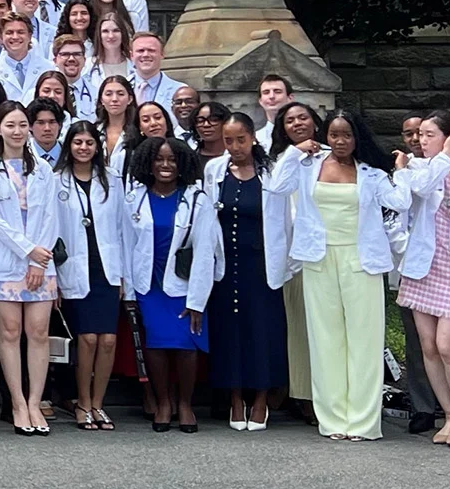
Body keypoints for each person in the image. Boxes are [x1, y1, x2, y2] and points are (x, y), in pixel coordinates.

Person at [268, 107, 408, 441]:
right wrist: (294, 150)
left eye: (347, 135)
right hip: (319, 257)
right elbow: (275, 186)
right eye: (334, 135)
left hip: (361, 260)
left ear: (357, 138)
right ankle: (332, 419)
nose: (341, 141)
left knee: (364, 341)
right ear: (324, 135)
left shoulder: (371, 173)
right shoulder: (307, 166)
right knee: (325, 339)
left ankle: (361, 422)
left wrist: (400, 171)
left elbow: (400, 202)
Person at [395, 111, 450, 447]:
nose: (421, 140)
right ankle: (448, 416)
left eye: (429, 134)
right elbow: (419, 189)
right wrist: (443, 157)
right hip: (423, 267)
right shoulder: (419, 167)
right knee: (429, 347)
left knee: (448, 345)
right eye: (420, 135)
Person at [123, 134, 217, 433]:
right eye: (159, 159)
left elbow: (205, 250)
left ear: (182, 164)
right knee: (156, 345)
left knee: (185, 345)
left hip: (183, 285)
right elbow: (126, 243)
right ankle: (164, 402)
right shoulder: (134, 197)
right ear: (148, 164)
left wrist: (197, 300)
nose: (165, 165)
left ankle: (185, 404)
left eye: (172, 160)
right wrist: (127, 289)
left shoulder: (197, 199)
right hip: (148, 285)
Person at [203, 111, 289, 431]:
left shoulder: (270, 172)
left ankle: (262, 398)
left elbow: (285, 222)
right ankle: (235, 398)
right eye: (228, 140)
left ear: (253, 137)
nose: (235, 146)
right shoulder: (215, 170)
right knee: (230, 331)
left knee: (261, 330)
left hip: (260, 265)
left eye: (241, 139)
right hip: (226, 265)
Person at [0, 102, 57, 435]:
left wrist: (39, 258)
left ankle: (36, 402)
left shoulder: (42, 168)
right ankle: (17, 403)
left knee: (38, 333)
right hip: (4, 263)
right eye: (10, 125)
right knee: (9, 333)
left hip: (41, 262)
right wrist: (27, 251)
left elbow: (51, 216)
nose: (17, 131)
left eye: (23, 125)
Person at [51, 120, 122, 431]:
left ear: (98, 146)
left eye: (89, 143)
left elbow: (123, 231)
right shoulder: (56, 181)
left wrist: (125, 280)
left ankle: (98, 403)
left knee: (107, 340)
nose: (83, 148)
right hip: (74, 268)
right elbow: (50, 231)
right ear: (69, 146)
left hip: (107, 268)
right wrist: (52, 277)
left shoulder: (113, 180)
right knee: (87, 339)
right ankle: (81, 403)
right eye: (77, 142)